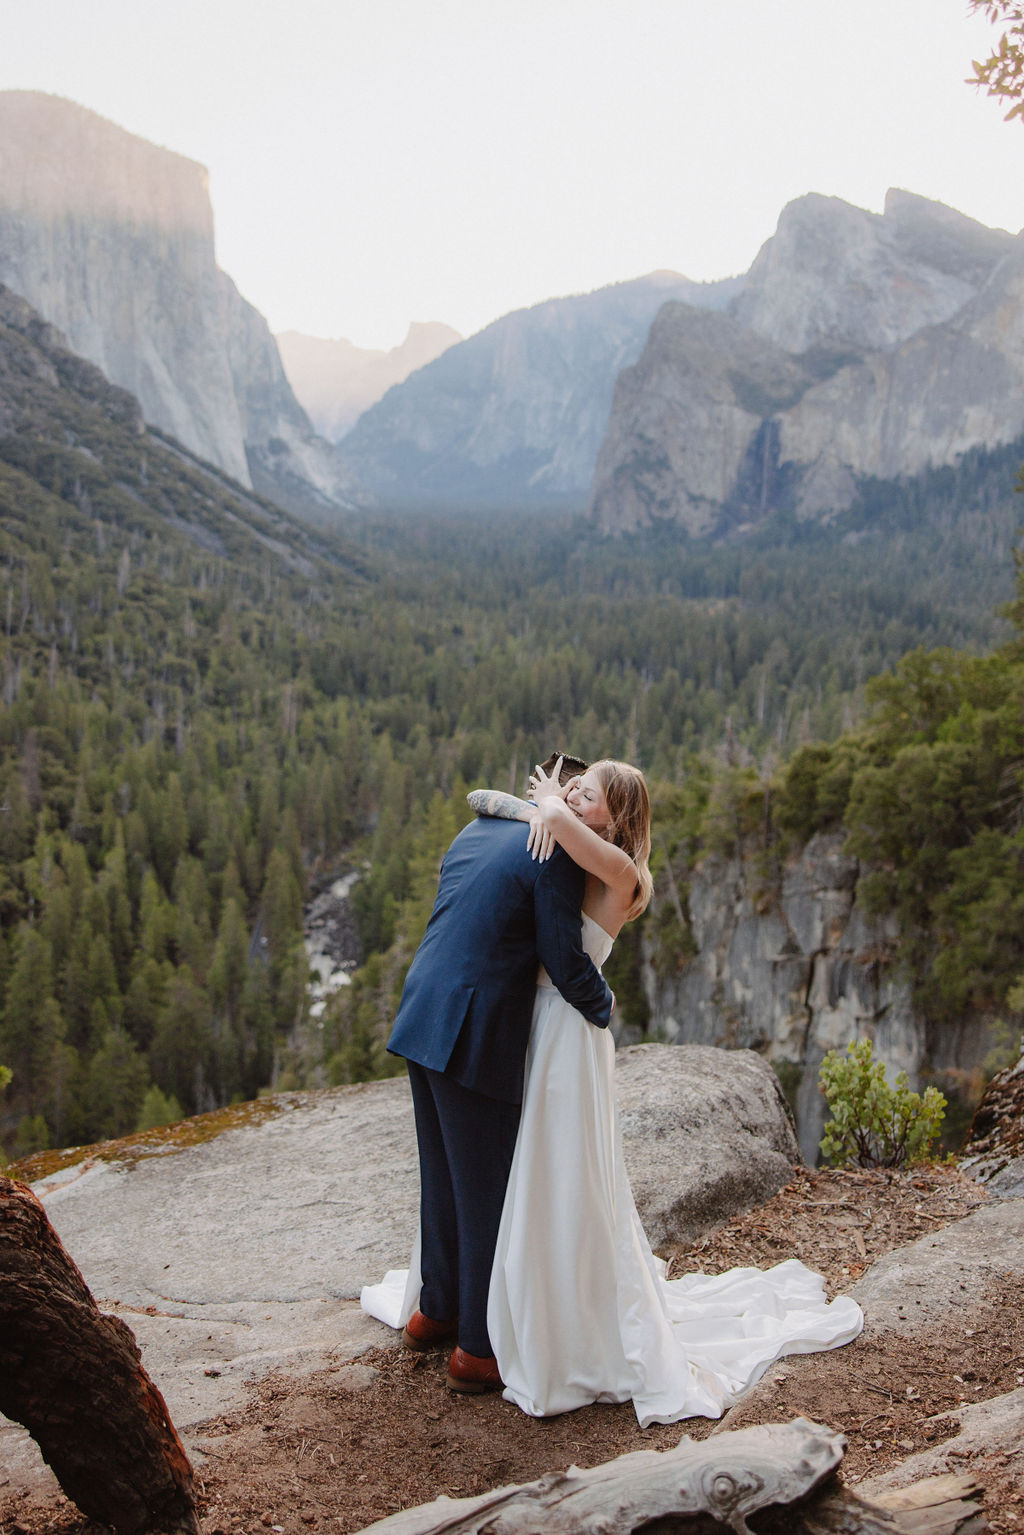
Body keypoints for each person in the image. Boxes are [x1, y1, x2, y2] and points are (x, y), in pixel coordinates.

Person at [474, 756, 863, 1425]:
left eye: (587, 790)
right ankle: (535, 1295)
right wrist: (549, 804)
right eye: (574, 784)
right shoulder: (575, 840)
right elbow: (502, 805)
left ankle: (571, 1319)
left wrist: (547, 802)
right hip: (545, 1017)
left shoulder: (625, 873)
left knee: (565, 1169)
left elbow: (554, 823)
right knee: (535, 1164)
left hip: (570, 1026)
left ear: (619, 817)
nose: (571, 792)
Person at [361, 754, 614, 1393]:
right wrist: (604, 1008)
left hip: (424, 1008)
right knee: (486, 1193)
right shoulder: (550, 851)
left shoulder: (474, 831)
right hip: (475, 1030)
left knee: (442, 1175)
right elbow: (562, 957)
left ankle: (434, 1311)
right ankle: (476, 1347)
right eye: (576, 795)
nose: (577, 808)